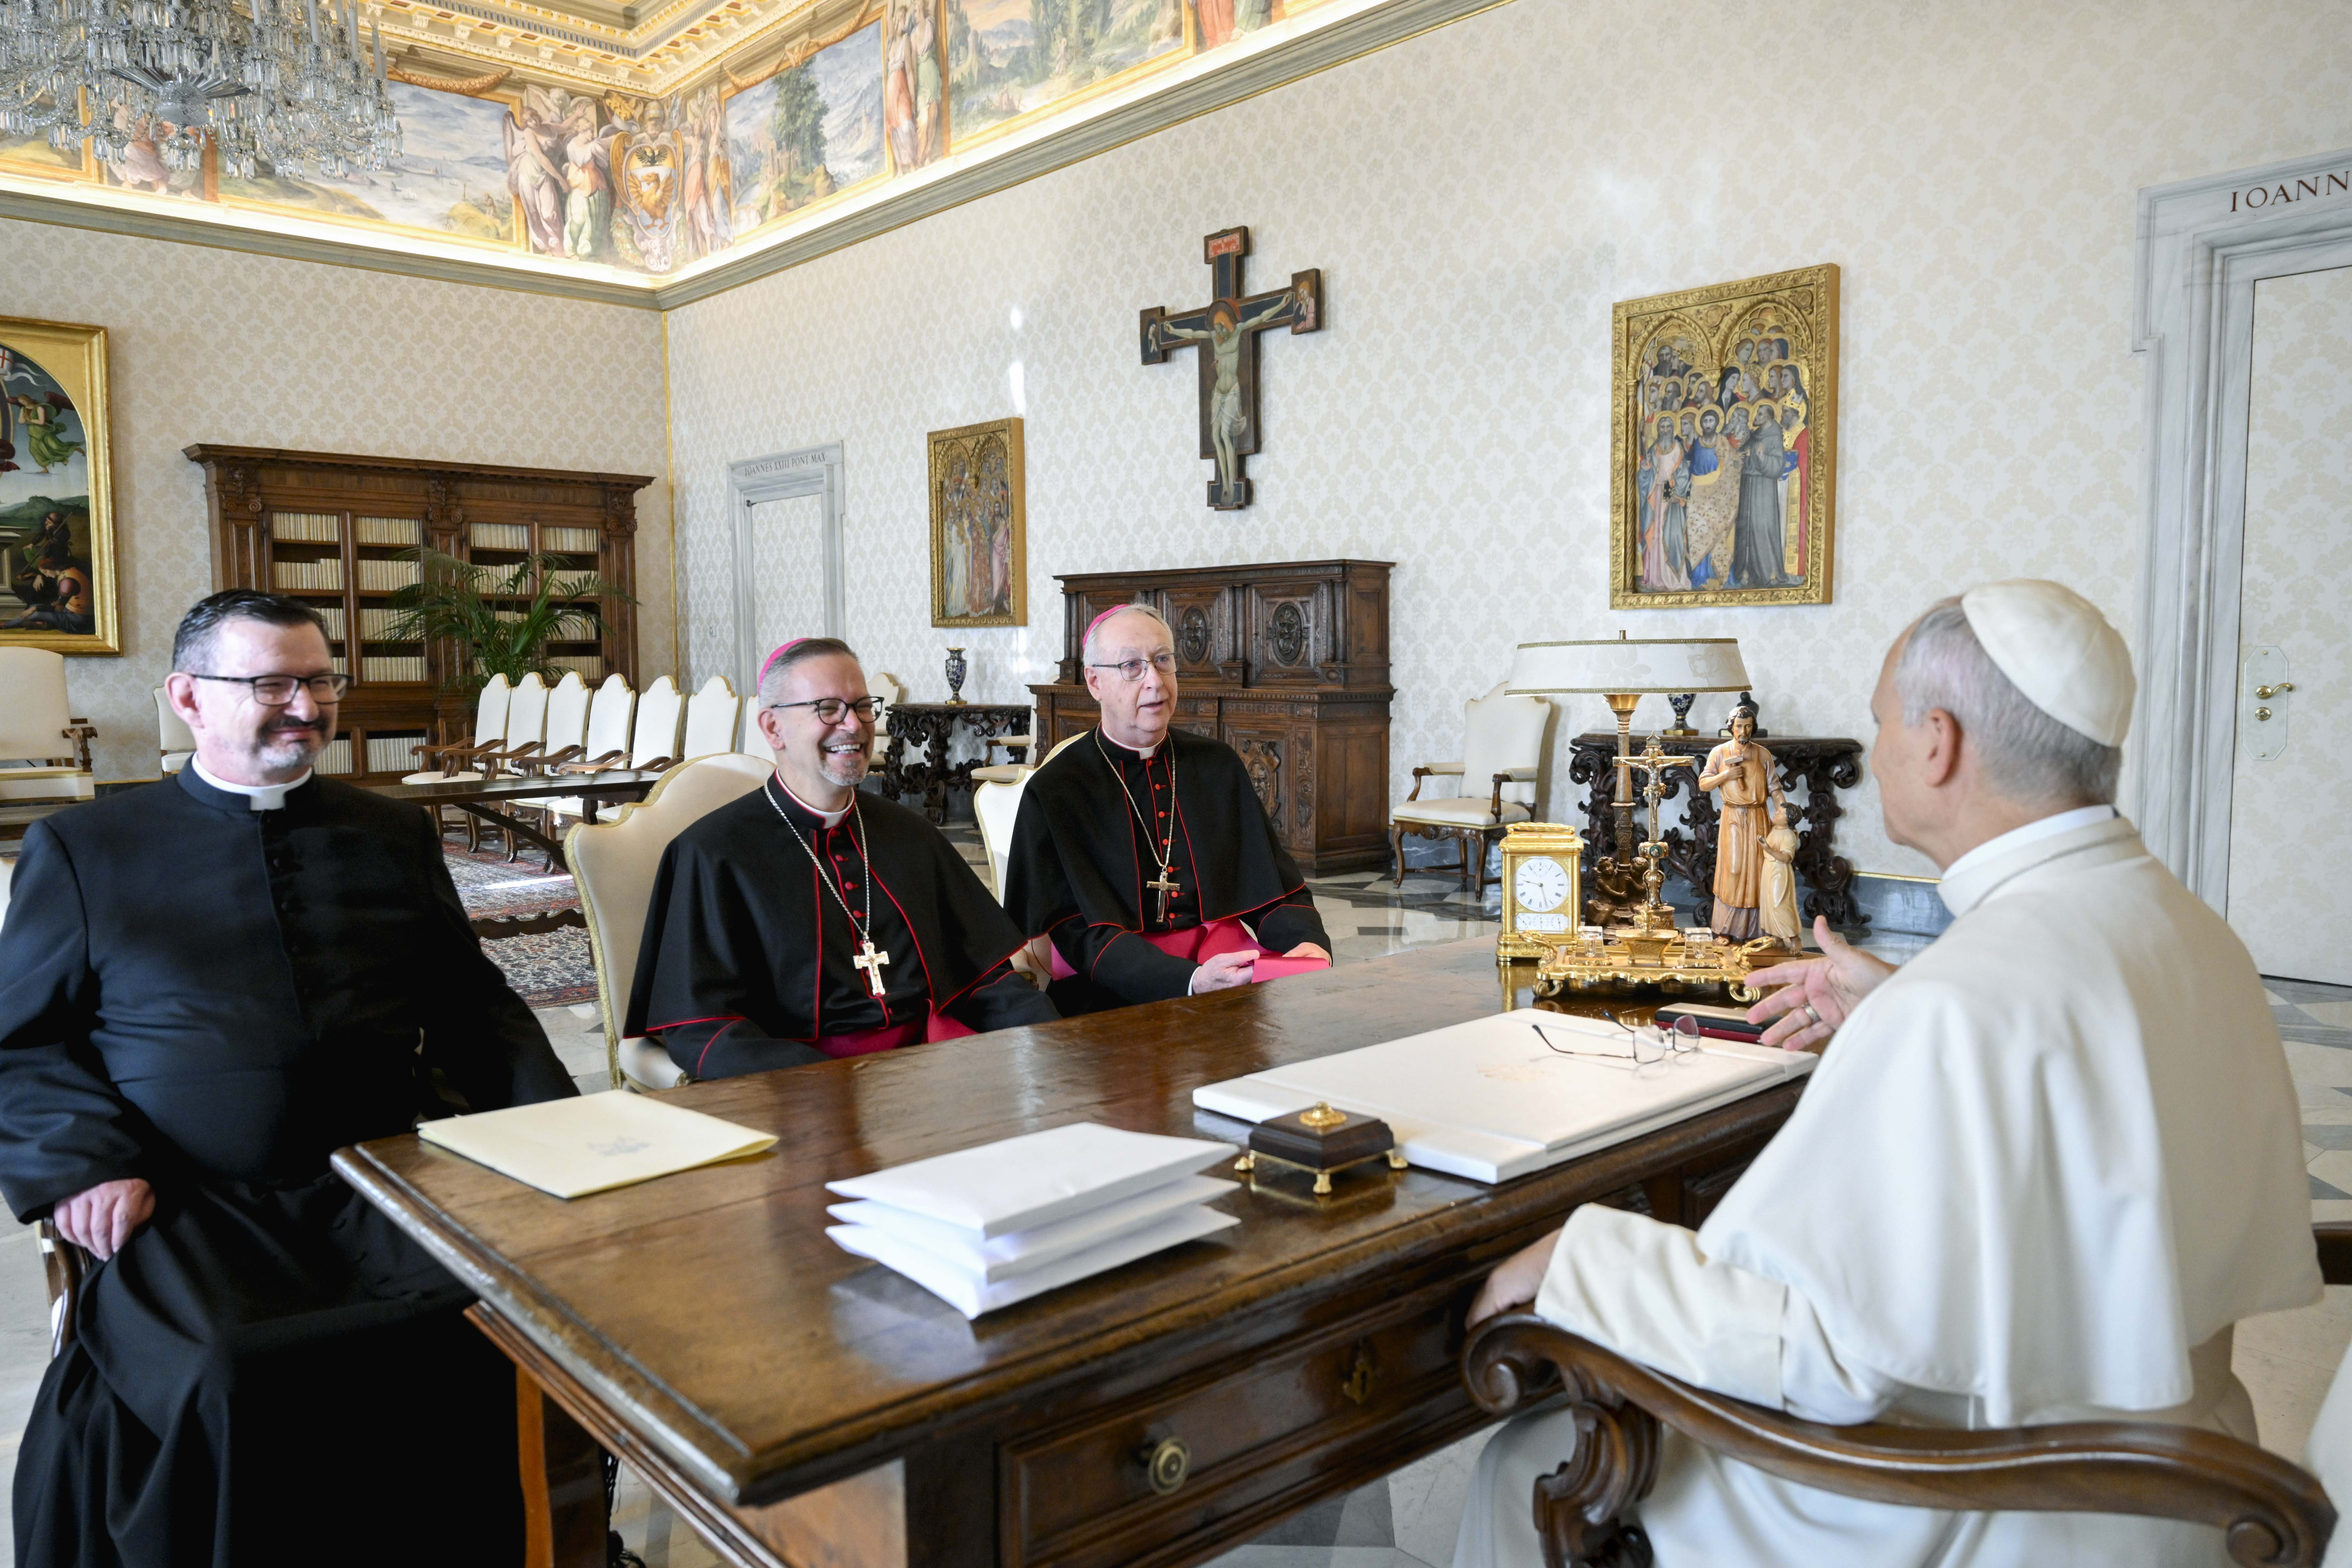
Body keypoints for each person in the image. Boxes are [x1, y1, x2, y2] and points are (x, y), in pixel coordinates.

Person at [1456, 581, 2316, 1568]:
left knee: (1529, 1459)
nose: (1879, 745)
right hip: (2174, 1475)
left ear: (1938, 743)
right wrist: (1904, 1002)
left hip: (1994, 1502)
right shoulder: (2191, 932)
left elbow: (1831, 1361)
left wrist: (1581, 1257)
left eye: (1880, 722)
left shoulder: (1954, 1009)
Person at [0, 589, 578, 1568]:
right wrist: (85, 1163)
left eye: (320, 682)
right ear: (188, 698)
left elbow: (475, 1008)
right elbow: (23, 1042)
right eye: (272, 683)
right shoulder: (88, 849)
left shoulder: (389, 834)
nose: (306, 709)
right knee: (235, 1368)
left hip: (386, 1179)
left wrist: (561, 1137)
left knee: (487, 1322)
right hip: (191, 1197)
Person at [627, 636, 1057, 1079]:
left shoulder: (910, 835)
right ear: (773, 728)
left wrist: (1055, 1043)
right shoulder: (712, 854)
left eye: (862, 706)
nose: (853, 725)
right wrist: (834, 1088)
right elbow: (704, 1032)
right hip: (806, 1095)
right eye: (827, 708)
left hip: (935, 1073)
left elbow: (982, 979)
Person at [1002, 605, 1332, 1014]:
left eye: (1163, 661)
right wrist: (1189, 982)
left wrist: (1308, 944)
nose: (1155, 682)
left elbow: (1276, 889)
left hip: (1231, 976)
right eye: (1132, 666)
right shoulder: (1057, 789)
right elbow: (1075, 933)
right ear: (1094, 682)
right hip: (1109, 993)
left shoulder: (1217, 766)